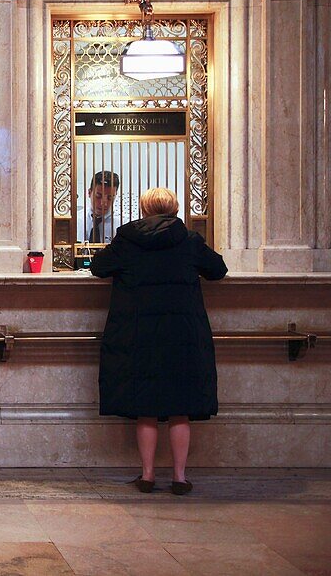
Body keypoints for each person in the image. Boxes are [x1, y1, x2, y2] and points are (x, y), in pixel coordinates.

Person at [90, 187, 227, 496]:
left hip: (140, 337)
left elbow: (98, 268)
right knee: (181, 409)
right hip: (183, 337)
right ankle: (179, 477)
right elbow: (218, 270)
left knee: (147, 408)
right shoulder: (189, 241)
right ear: (175, 208)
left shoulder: (128, 240)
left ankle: (148, 475)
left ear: (143, 209)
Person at [77, 170, 120, 245]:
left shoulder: (123, 223)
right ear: (89, 193)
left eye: (110, 198)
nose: (104, 203)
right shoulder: (76, 220)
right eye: (98, 196)